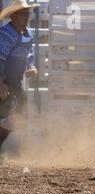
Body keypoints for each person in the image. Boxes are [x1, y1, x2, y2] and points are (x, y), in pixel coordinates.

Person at [0, 0, 38, 154]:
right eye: (23, 14)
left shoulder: (27, 34)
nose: (27, 17)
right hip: (4, 82)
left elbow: (29, 56)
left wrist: (31, 67)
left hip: (13, 84)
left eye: (28, 14)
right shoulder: (5, 35)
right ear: (13, 16)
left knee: (20, 115)